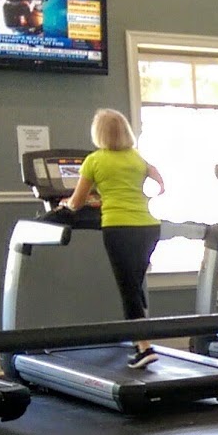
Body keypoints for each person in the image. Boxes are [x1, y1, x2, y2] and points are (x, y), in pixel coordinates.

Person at [61, 108, 167, 370]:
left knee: (128, 289)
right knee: (135, 283)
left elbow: (76, 202)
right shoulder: (136, 157)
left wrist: (66, 204)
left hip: (119, 229)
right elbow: (159, 181)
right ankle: (140, 338)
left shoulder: (94, 160)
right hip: (148, 227)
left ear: (98, 133)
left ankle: (145, 347)